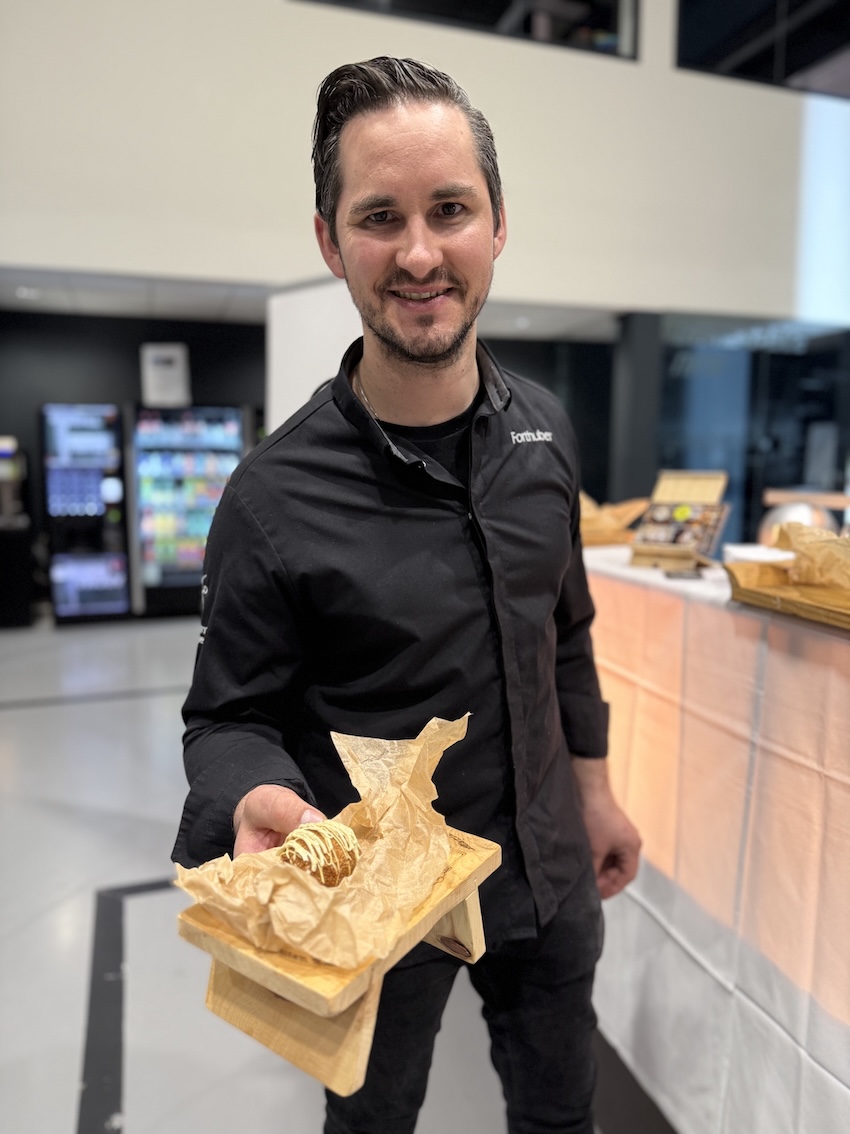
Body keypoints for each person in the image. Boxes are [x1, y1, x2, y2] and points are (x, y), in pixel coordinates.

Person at [173, 55, 641, 1134]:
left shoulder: (547, 431)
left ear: (497, 225)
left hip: (546, 868)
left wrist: (598, 792)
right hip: (378, 909)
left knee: (561, 1115)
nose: (420, 253)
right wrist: (255, 795)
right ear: (330, 241)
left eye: (450, 210)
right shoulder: (270, 496)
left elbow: (565, 634)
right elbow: (226, 717)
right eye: (380, 217)